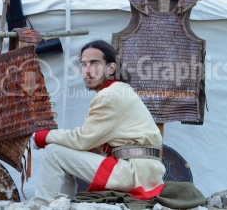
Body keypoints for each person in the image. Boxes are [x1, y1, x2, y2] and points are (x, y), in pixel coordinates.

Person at [30, 39, 166, 206]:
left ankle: (40, 205)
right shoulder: (120, 90)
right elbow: (88, 142)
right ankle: (64, 203)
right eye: (84, 64)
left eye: (95, 64)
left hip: (133, 173)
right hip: (143, 171)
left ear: (111, 68)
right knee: (63, 152)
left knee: (53, 152)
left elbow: (82, 140)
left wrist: (42, 137)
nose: (88, 71)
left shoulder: (108, 96)